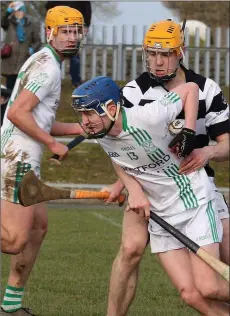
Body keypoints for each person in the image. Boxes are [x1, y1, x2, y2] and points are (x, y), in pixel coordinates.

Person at [100, 19, 230, 316]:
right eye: (151, 54)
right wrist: (127, 186)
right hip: (148, 187)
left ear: (181, 51)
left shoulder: (207, 89)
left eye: (166, 54)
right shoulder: (132, 93)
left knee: (217, 271)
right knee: (131, 249)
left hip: (195, 186)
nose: (157, 62)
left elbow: (227, 144)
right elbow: (121, 145)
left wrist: (209, 151)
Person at [71, 76, 229, 316]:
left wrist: (187, 129)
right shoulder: (102, 134)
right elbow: (119, 160)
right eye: (81, 115)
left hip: (193, 202)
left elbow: (191, 88)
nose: (85, 122)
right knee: (190, 294)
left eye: (89, 114)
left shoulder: (149, 116)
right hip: (161, 216)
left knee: (208, 286)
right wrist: (132, 189)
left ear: (112, 109)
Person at [1, 6, 84, 315]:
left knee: (38, 228)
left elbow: (37, 117)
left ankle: (10, 306)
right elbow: (17, 112)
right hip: (17, 157)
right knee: (13, 241)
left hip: (26, 155)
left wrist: (77, 128)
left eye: (76, 31)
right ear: (50, 32)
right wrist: (52, 143)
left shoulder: (48, 62)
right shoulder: (47, 67)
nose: (72, 37)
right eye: (65, 31)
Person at [45, 1, 92, 87]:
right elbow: (49, 7)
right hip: (59, 28)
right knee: (56, 55)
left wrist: (86, 26)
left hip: (75, 27)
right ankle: (54, 79)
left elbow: (87, 10)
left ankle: (75, 80)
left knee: (74, 55)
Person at [1, 2, 41, 90]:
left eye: (20, 10)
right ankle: (9, 104)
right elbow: (2, 22)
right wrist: (8, 11)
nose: (18, 13)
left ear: (24, 12)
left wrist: (32, 49)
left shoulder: (31, 24)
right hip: (10, 61)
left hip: (24, 60)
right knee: (10, 89)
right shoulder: (9, 22)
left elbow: (38, 41)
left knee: (21, 88)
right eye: (16, 10)